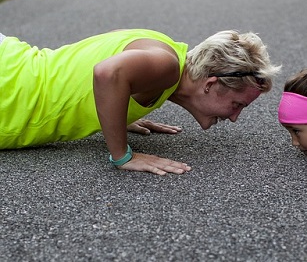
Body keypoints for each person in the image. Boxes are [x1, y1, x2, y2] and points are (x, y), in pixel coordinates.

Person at [0, 29, 281, 175]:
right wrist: (123, 155)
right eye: (237, 105)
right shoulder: (166, 65)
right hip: (9, 88)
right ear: (211, 84)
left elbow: (93, 62)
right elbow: (107, 72)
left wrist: (116, 111)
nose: (234, 117)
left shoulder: (166, 54)